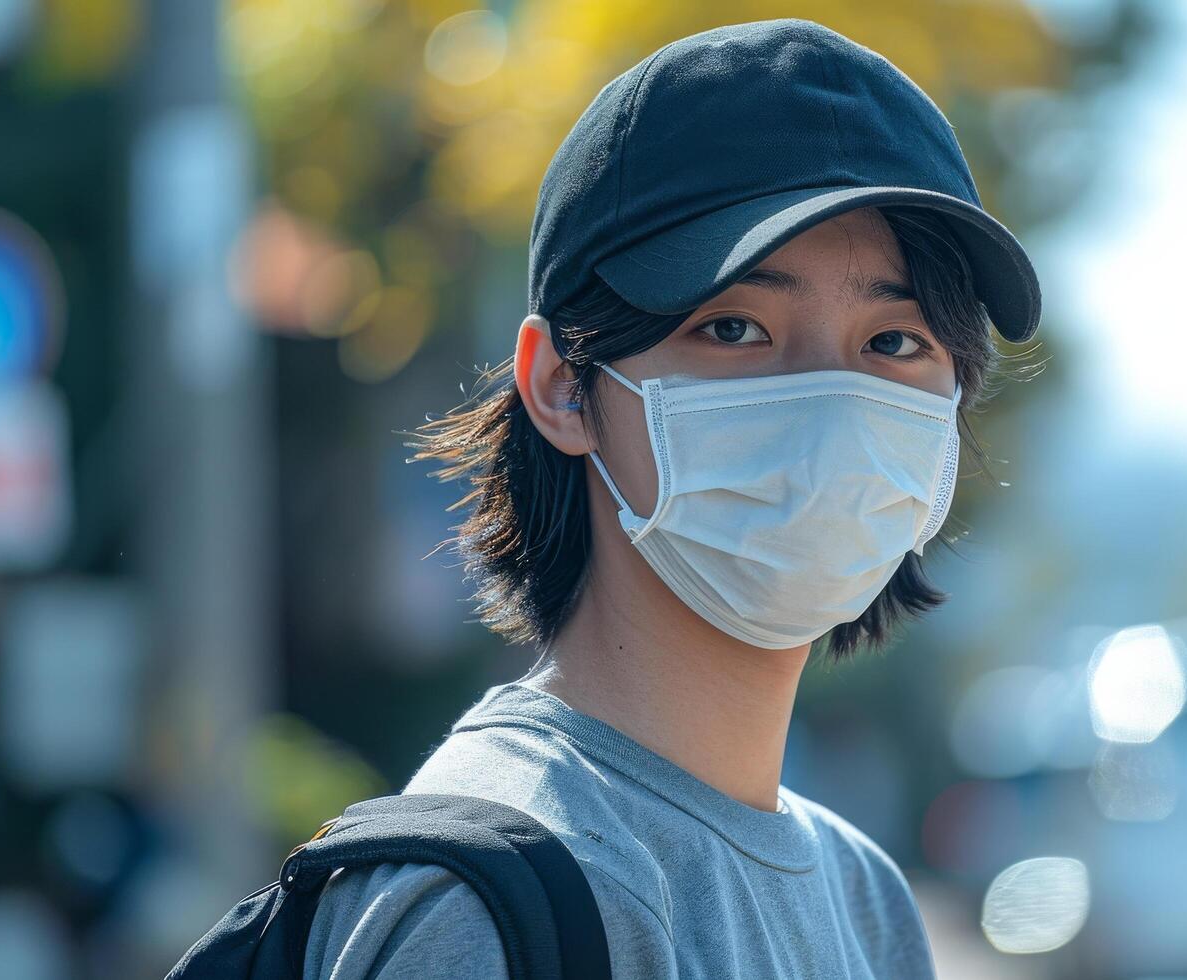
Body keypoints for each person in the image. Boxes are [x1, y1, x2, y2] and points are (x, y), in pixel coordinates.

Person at [302, 17, 1041, 979]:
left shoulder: (865, 900)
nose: (825, 411)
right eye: (734, 327)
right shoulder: (487, 909)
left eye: (893, 343)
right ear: (563, 385)